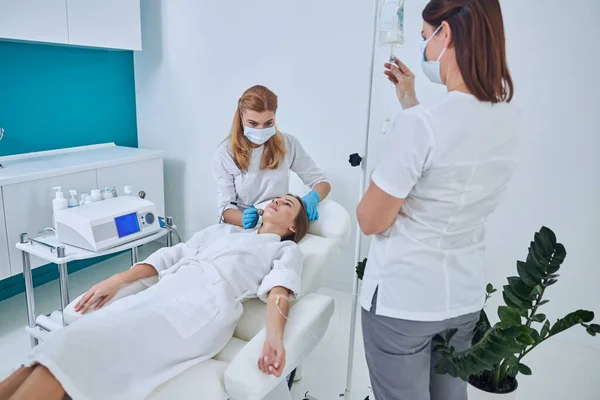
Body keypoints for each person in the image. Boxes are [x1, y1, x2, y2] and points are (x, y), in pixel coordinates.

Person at [356, 1, 521, 399]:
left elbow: (371, 220)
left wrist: (405, 125)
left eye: (425, 38)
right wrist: (409, 99)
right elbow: (448, 168)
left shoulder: (421, 126)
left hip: (403, 304)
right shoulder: (507, 120)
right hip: (460, 301)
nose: (425, 49)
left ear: (445, 33)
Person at [0, 195, 309, 400]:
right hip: (162, 295)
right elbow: (172, 254)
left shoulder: (285, 249)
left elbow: (280, 291)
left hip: (201, 311)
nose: (277, 201)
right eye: (277, 198)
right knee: (60, 341)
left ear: (293, 226)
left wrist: (273, 337)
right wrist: (116, 279)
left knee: (77, 347)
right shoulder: (223, 231)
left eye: (287, 205)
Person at [213, 85, 331, 229]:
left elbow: (321, 182)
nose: (261, 130)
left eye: (268, 123)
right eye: (253, 123)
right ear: (241, 117)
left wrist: (313, 197)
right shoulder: (225, 153)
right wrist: (243, 219)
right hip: (240, 228)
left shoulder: (288, 144)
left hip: (276, 226)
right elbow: (225, 209)